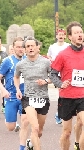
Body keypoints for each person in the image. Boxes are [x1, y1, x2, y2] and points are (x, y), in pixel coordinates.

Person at [49, 21, 84, 150]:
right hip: (67, 97)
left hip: (82, 96)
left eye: (81, 32)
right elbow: (53, 74)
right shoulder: (63, 54)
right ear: (70, 37)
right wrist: (60, 83)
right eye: (76, 33)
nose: (80, 35)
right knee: (66, 132)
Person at [14, 36, 51, 150]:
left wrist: (45, 81)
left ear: (37, 47)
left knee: (39, 131)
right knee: (34, 127)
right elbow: (16, 77)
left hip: (43, 98)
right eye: (27, 46)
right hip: (28, 98)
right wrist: (18, 89)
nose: (30, 48)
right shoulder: (21, 64)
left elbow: (53, 77)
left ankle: (31, 141)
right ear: (25, 49)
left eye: (32, 46)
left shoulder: (46, 62)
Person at [0, 37, 25, 135]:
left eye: (22, 47)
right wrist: (3, 90)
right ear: (13, 48)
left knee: (26, 122)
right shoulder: (8, 61)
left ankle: (26, 144)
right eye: (18, 47)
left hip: (25, 96)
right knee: (10, 127)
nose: (21, 49)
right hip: (11, 96)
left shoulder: (28, 60)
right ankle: (12, 121)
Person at [47, 29, 70, 125]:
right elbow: (48, 56)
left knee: (66, 93)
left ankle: (61, 112)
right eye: (59, 34)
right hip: (57, 72)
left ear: (65, 36)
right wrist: (52, 60)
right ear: (56, 36)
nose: (60, 36)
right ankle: (59, 113)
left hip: (67, 72)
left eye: (62, 34)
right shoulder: (52, 47)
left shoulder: (68, 46)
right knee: (61, 93)